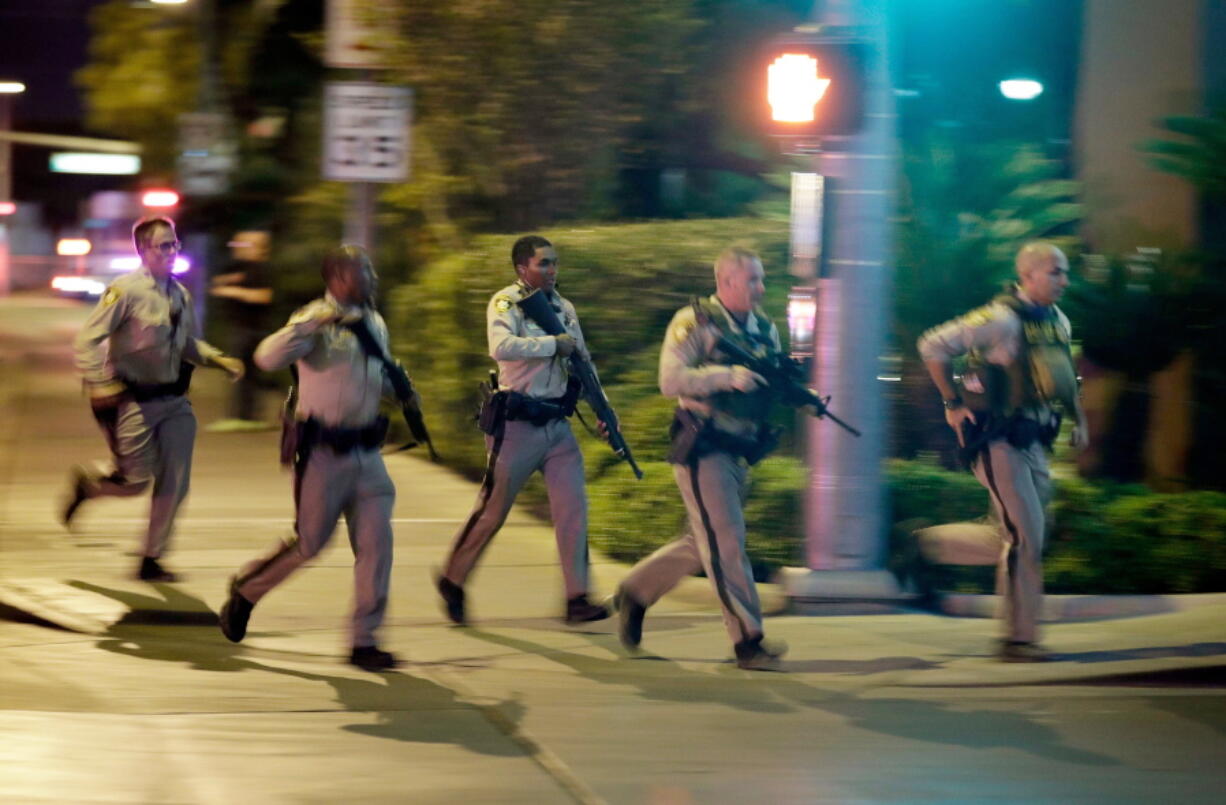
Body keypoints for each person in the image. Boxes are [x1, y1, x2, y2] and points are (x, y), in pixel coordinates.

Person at [218, 245, 409, 671]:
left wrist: (397, 388)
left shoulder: (374, 321)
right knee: (310, 543)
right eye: (365, 270)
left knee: (378, 545)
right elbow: (265, 358)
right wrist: (311, 324)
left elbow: (371, 375)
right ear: (339, 277)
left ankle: (365, 640)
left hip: (367, 455)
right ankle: (248, 590)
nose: (373, 277)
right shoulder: (314, 320)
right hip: (324, 455)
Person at [612, 246, 788, 671]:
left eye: (761, 279)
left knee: (702, 542)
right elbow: (669, 379)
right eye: (752, 280)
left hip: (739, 449)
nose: (761, 288)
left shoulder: (765, 329)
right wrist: (725, 376)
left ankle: (636, 591)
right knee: (727, 542)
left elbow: (773, 383)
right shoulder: (695, 322)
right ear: (726, 282)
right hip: (703, 446)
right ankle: (748, 641)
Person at [915, 241, 1088, 663]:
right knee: (1025, 535)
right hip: (996, 442)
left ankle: (922, 546)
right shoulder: (1000, 319)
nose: (1064, 280)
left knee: (1017, 535)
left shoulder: (1057, 321)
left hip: (1033, 441)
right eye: (1055, 272)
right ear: (1027, 275)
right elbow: (932, 346)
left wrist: (1079, 420)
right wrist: (952, 404)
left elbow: (1065, 377)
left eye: (1064, 272)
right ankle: (1018, 639)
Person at [436, 235, 609, 626]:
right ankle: (453, 578)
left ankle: (577, 597)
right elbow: (501, 346)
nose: (552, 270)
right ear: (521, 269)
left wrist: (602, 409)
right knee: (492, 512)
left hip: (556, 426)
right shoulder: (505, 302)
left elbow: (582, 360)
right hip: (516, 427)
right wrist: (552, 344)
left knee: (573, 510)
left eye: (554, 263)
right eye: (543, 263)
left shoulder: (564, 308)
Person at [62, 216, 244, 582]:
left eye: (174, 244)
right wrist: (98, 382)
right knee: (135, 482)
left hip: (174, 399)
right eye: (162, 245)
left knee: (175, 481)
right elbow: (87, 339)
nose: (171, 251)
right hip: (134, 400)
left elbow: (188, 342)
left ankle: (151, 558)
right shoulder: (125, 291)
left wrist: (218, 358)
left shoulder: (180, 294)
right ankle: (90, 487)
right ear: (143, 250)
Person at [206, 229, 275, 432]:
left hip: (251, 330)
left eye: (244, 245)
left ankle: (246, 416)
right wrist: (226, 282)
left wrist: (230, 290)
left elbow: (263, 296)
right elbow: (239, 280)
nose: (238, 249)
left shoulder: (262, 269)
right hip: (241, 328)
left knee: (245, 374)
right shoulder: (247, 269)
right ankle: (243, 415)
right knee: (242, 374)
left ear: (256, 248)